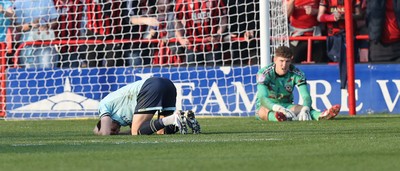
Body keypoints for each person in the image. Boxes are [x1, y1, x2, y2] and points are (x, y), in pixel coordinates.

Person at [255, 46, 341, 122]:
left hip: (286, 106)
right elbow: (263, 98)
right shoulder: (264, 73)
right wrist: (277, 108)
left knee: (303, 109)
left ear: (291, 61)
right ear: (275, 60)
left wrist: (306, 108)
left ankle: (322, 116)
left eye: (287, 61)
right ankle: (278, 117)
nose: (284, 65)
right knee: (262, 112)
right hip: (267, 106)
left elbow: (306, 96)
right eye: (281, 61)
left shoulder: (297, 74)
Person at [93, 77, 201, 136]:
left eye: (113, 131)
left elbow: (105, 132)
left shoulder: (104, 107)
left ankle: (174, 118)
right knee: (161, 131)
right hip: (167, 84)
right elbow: (137, 130)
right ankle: (184, 118)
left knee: (136, 132)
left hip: (150, 86)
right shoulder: (123, 119)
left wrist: (98, 131)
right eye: (115, 133)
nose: (115, 132)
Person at [174, 0, 228, 66]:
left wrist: (218, 34)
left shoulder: (216, 1)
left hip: (212, 44)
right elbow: (177, 21)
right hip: (192, 45)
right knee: (192, 74)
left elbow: (223, 18)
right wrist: (181, 38)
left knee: (214, 74)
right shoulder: (182, 1)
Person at [13, 0, 60, 68]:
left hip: (46, 43)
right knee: (29, 73)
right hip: (27, 46)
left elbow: (55, 21)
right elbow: (18, 27)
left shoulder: (48, 1)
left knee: (47, 71)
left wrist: (47, 26)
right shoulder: (18, 2)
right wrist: (31, 25)